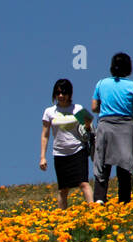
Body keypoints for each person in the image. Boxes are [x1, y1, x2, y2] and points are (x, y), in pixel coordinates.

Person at [90, 52, 133, 204]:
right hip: (125, 126)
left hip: (105, 125)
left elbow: (94, 107)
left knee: (102, 163)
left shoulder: (101, 84)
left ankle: (99, 199)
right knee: (125, 164)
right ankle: (124, 200)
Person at [40, 78, 95, 208]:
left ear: (69, 94)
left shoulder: (77, 109)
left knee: (84, 183)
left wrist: (87, 124)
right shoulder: (49, 112)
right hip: (60, 153)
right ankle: (62, 218)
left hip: (78, 150)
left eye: (63, 93)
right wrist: (42, 157)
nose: (60, 96)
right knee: (63, 189)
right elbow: (45, 135)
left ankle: (94, 211)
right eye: (58, 93)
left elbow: (89, 127)